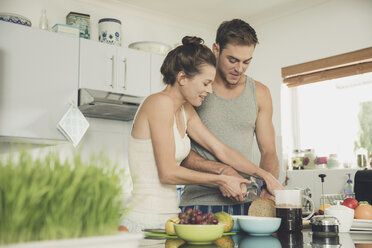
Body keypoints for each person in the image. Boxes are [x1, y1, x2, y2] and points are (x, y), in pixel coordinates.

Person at [121, 36, 281, 232]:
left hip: (170, 221)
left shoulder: (184, 109)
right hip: (144, 220)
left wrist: (265, 176)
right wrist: (220, 179)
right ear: (182, 78)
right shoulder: (158, 103)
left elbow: (220, 149)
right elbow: (167, 172)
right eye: (206, 83)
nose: (210, 91)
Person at [180, 19, 283, 214]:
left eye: (247, 62)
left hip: (247, 202)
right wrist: (222, 171)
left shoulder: (260, 93)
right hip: (199, 202)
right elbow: (179, 150)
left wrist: (267, 188)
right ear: (216, 50)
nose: (240, 69)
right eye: (233, 60)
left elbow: (268, 151)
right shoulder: (196, 89)